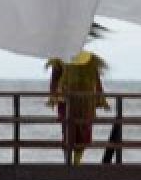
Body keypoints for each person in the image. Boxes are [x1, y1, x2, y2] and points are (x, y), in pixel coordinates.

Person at [46, 23, 109, 166]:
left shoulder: (91, 59)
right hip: (66, 102)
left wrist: (100, 98)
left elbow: (96, 81)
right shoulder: (60, 58)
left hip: (86, 103)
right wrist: (55, 96)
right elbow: (54, 80)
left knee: (84, 132)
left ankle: (76, 161)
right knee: (68, 131)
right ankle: (69, 161)